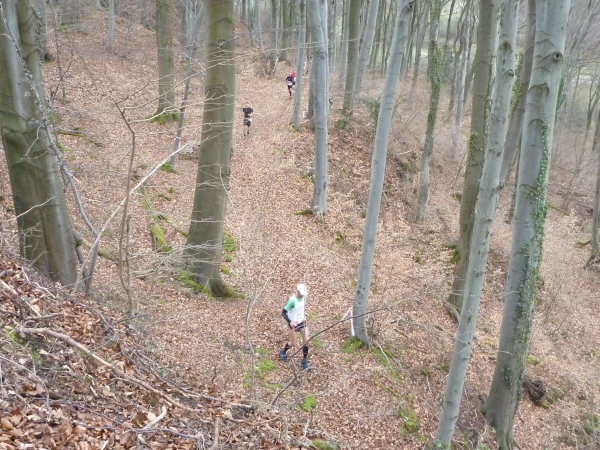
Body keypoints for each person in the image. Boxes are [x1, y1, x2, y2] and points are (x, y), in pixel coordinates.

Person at [280, 284, 310, 369]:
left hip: (302, 321)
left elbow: (302, 307)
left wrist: (304, 313)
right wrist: (290, 322)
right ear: (297, 291)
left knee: (307, 340)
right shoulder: (292, 301)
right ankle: (283, 351)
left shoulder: (304, 297)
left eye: (304, 293)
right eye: (301, 293)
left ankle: (304, 360)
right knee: (294, 343)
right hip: (293, 323)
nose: (303, 295)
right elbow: (283, 312)